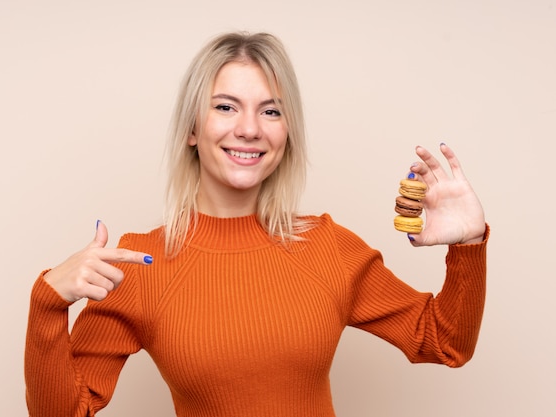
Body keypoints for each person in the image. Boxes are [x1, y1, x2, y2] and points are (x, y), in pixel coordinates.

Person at [25, 31, 488, 417]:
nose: (250, 129)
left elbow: (444, 341)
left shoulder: (327, 246)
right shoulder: (141, 264)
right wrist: (47, 304)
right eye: (225, 107)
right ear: (191, 129)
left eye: (270, 111)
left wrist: (468, 244)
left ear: (287, 132)